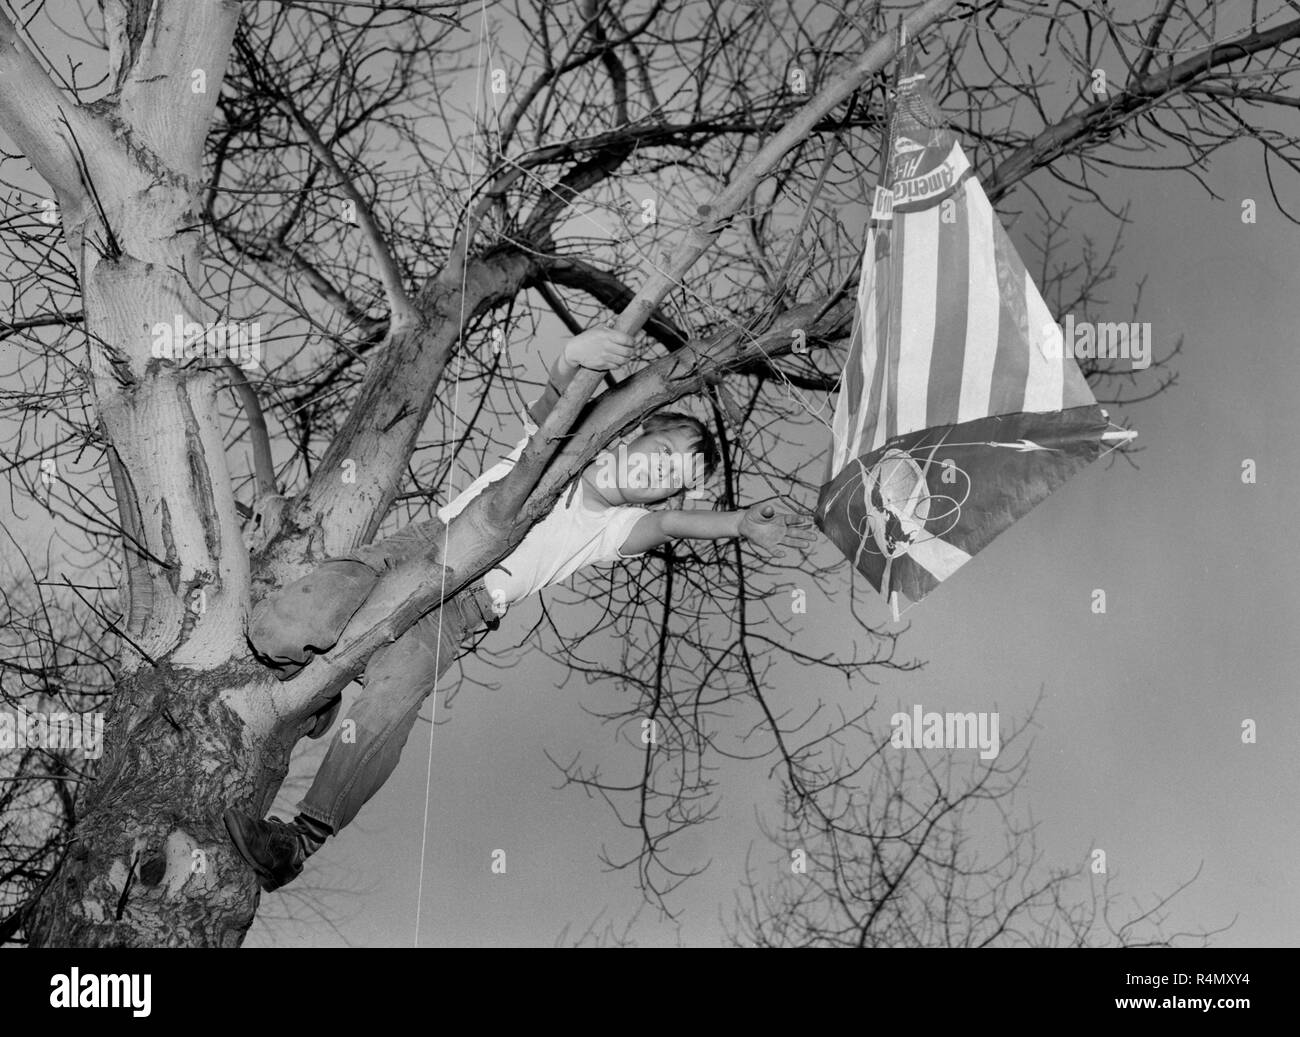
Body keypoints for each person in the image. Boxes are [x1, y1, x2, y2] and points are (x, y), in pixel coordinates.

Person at [225, 326, 817, 891]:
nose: (657, 472)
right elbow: (558, 396)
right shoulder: (557, 448)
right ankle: (316, 686)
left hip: (462, 607)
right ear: (631, 437)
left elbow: (670, 524)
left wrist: (737, 523)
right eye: (660, 451)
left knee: (393, 697)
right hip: (417, 549)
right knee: (288, 625)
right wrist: (574, 354)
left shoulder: (614, 528)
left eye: (670, 477)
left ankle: (300, 839)